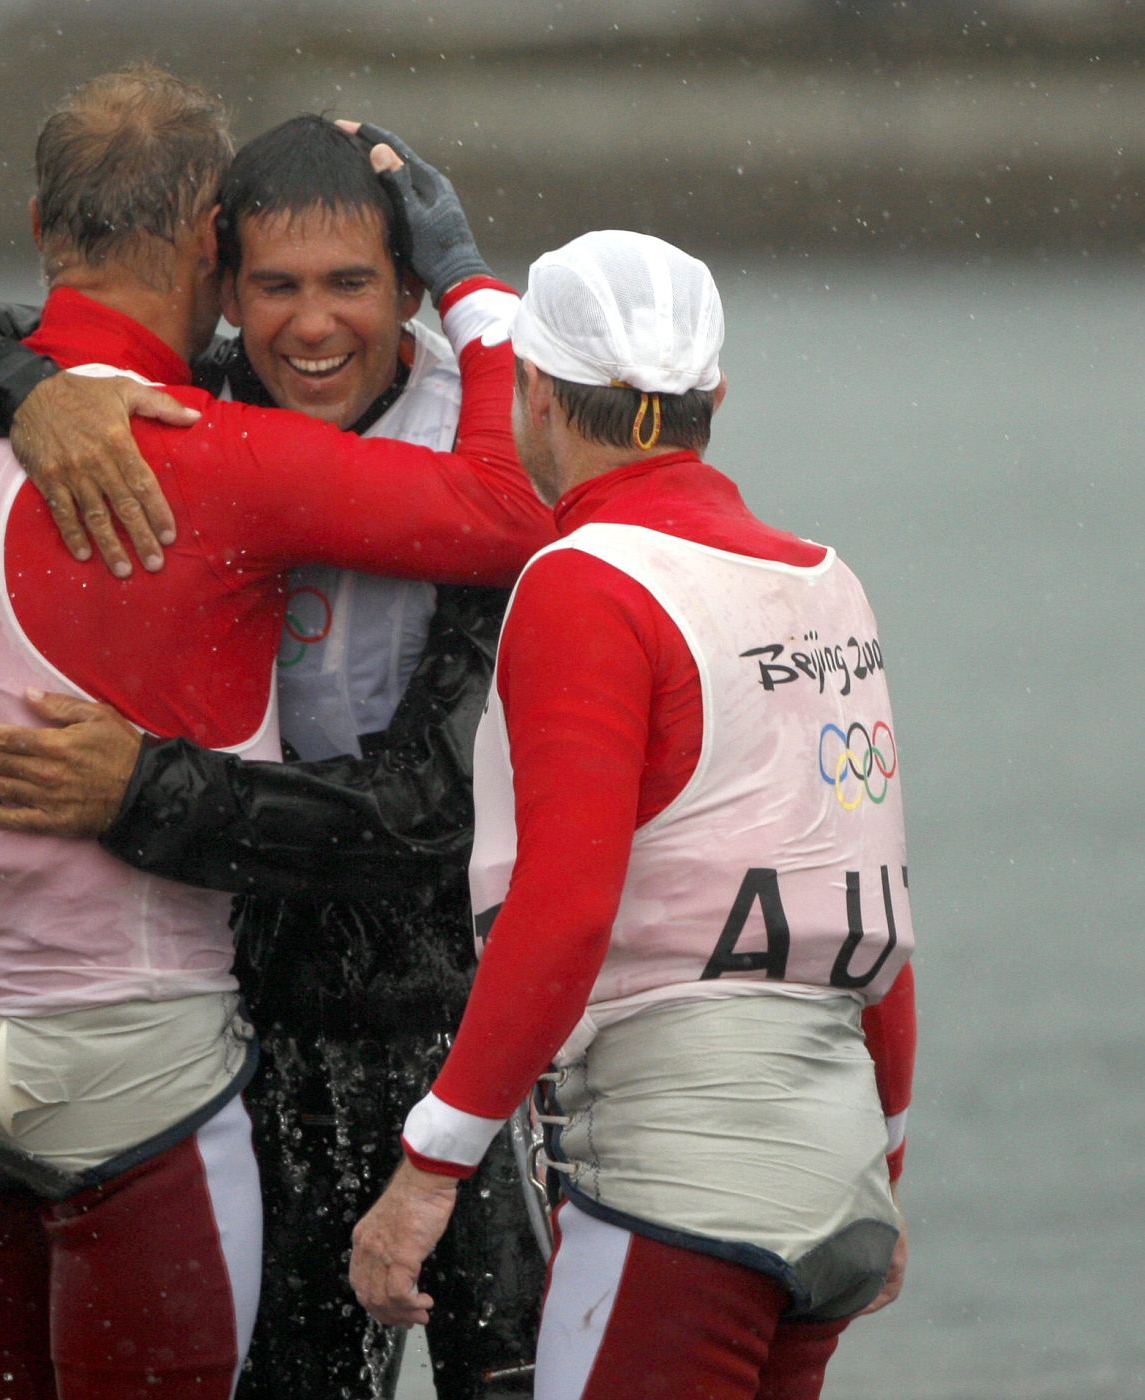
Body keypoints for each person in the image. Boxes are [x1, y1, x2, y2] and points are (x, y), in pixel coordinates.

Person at [0, 66, 551, 1400]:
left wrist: (145, 792)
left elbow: (428, 813)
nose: (311, 322)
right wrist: (474, 282)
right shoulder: (195, 434)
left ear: (41, 224)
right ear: (215, 254)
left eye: (353, 284)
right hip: (165, 1049)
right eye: (275, 282)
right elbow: (509, 512)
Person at [349, 230, 918, 1400]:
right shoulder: (823, 579)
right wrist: (884, 1165)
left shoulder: (585, 580)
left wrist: (427, 1164)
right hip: (839, 1173)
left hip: (683, 1189)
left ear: (541, 397)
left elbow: (560, 911)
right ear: (712, 393)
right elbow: (871, 910)